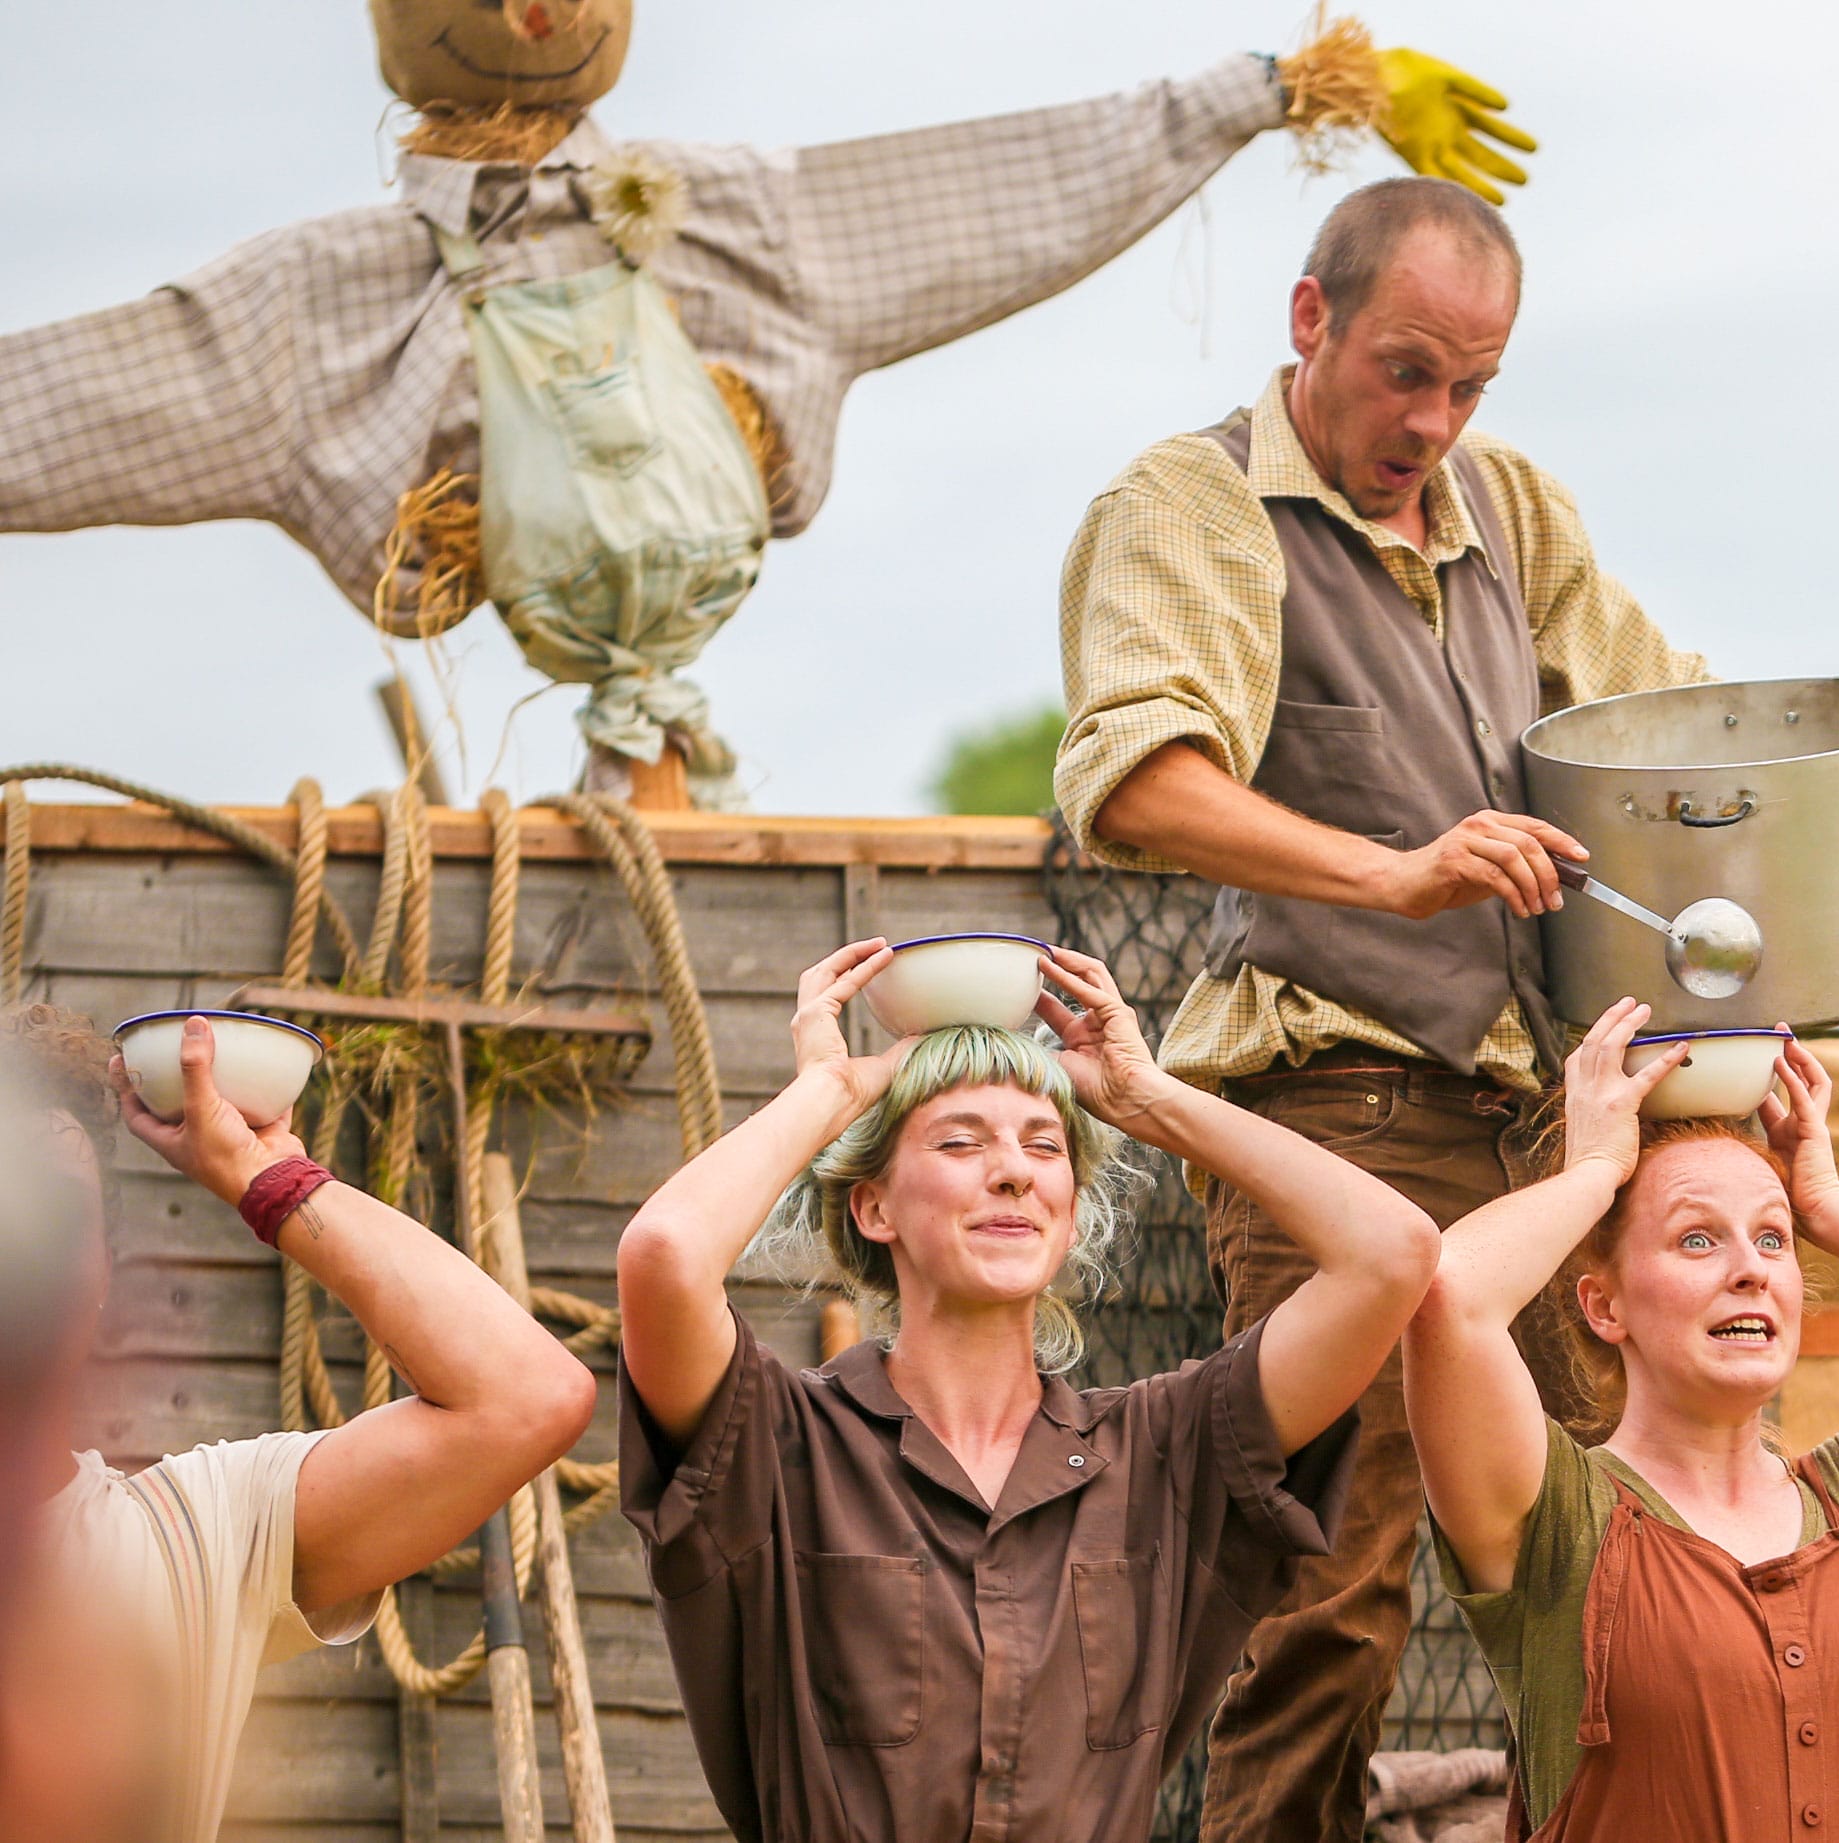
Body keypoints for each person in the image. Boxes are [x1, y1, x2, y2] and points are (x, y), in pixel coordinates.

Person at [1055, 172, 1839, 1841]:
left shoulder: (1516, 511)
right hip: (1332, 1116)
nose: (1435, 418)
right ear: (1309, 322)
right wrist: (1397, 872)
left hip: (1545, 1133)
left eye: (1473, 383)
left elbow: (1698, 746)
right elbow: (1137, 781)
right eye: (1405, 371)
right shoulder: (1192, 505)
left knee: (1653, 1548)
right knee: (1327, 1599)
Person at [0, 2, 1533, 805]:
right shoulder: (328, 297)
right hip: (560, 696)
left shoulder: (721, 225)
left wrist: (1274, 86)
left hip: (664, 741)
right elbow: (90, 392)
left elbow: (999, 192)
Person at [612, 941, 1439, 1843]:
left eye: (1044, 1146)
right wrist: (833, 1092)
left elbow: (1391, 1251)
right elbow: (664, 1257)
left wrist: (1149, 1100)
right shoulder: (777, 1442)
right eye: (960, 1140)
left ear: (1070, 1206)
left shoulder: (1169, 1449)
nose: (1012, 1169)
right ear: (874, 1206)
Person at [1406, 1007, 1839, 1837]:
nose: (1749, 1268)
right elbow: (1447, 1294)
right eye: (1697, 1240)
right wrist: (1597, 1166)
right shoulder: (1556, 1512)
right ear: (1604, 1304)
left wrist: (1827, 1202)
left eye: (1772, 1239)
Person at [0, 1004, 596, 1843]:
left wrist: (266, 1175)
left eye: (51, 1217)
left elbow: (526, 1395)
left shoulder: (190, 1539)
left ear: (104, 1275)